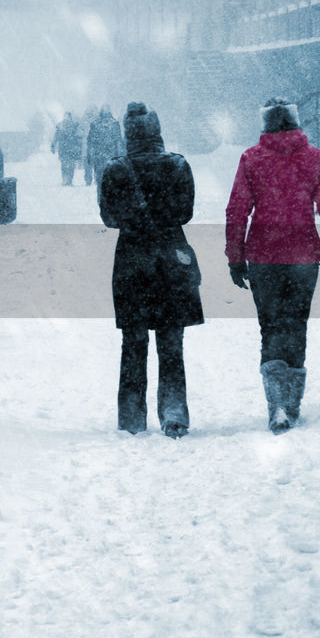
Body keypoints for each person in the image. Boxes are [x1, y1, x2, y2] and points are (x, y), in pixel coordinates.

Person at [225, 96, 320, 434]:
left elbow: (237, 211)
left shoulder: (252, 159)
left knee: (270, 327)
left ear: (265, 123)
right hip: (303, 256)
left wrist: (235, 257)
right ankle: (292, 404)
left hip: (263, 257)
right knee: (296, 326)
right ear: (297, 122)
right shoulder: (314, 159)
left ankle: (277, 404)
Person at [99, 103, 203, 438]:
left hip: (132, 261)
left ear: (128, 133)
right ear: (157, 130)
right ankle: (174, 413)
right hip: (170, 260)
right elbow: (184, 213)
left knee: (133, 342)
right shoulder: (178, 165)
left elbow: (110, 218)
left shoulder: (115, 169)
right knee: (171, 343)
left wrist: (135, 216)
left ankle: (130, 416)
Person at [87, 104, 124, 186]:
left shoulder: (95, 123)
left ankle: (102, 195)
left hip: (100, 156)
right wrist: (121, 156)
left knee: (100, 180)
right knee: (109, 179)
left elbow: (90, 141)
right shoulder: (114, 123)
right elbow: (119, 141)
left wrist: (89, 155)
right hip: (110, 156)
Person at [50, 111, 83, 185]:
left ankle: (65, 180)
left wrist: (53, 145)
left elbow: (56, 137)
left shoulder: (60, 126)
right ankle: (69, 180)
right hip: (72, 149)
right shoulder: (74, 125)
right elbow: (79, 137)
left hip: (63, 148)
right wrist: (79, 147)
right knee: (71, 166)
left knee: (64, 165)